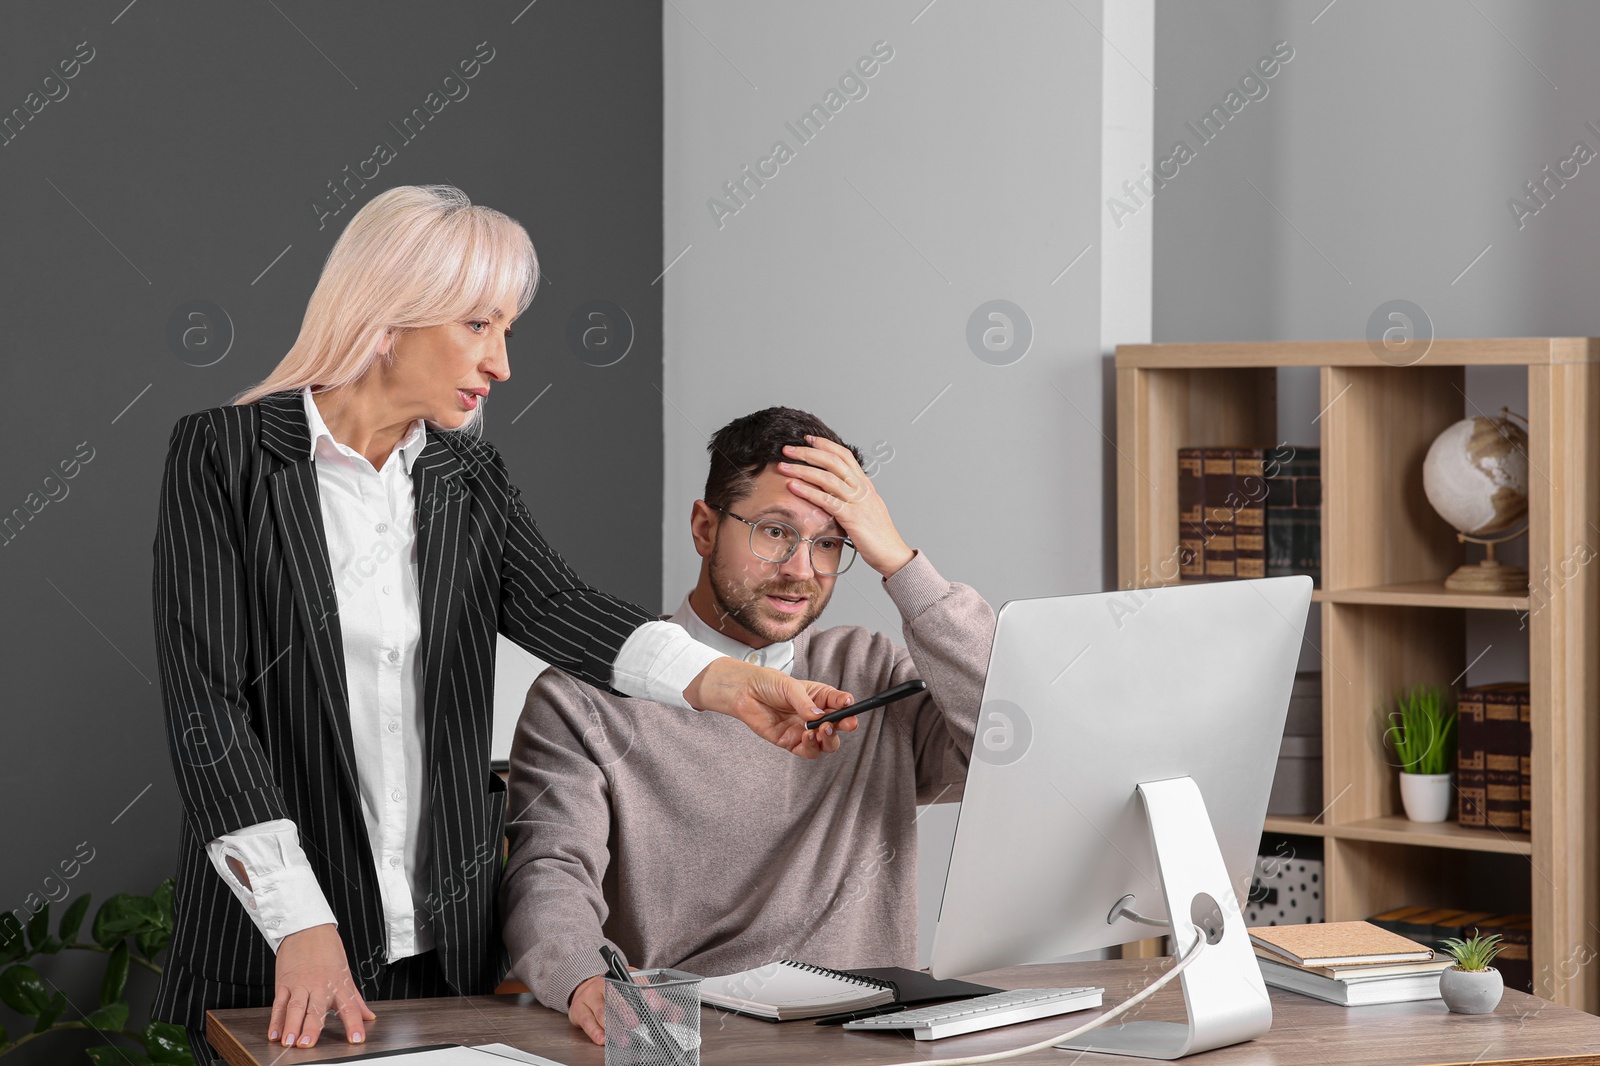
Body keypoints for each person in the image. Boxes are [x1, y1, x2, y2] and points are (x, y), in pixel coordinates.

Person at [148, 186, 858, 1063]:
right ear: (391, 313)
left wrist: (728, 683)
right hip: (277, 946)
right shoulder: (226, 456)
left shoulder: (465, 473)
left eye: (507, 331)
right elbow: (206, 711)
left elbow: (559, 606)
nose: (502, 363)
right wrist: (301, 923)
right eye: (480, 325)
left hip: (445, 951)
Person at [499, 407, 996, 1044]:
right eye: (773, 532)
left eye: (829, 543)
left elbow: (1013, 742)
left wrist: (900, 561)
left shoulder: (868, 671)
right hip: (687, 1035)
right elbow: (549, 872)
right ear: (704, 528)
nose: (801, 569)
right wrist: (583, 978)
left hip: (873, 1040)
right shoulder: (584, 697)